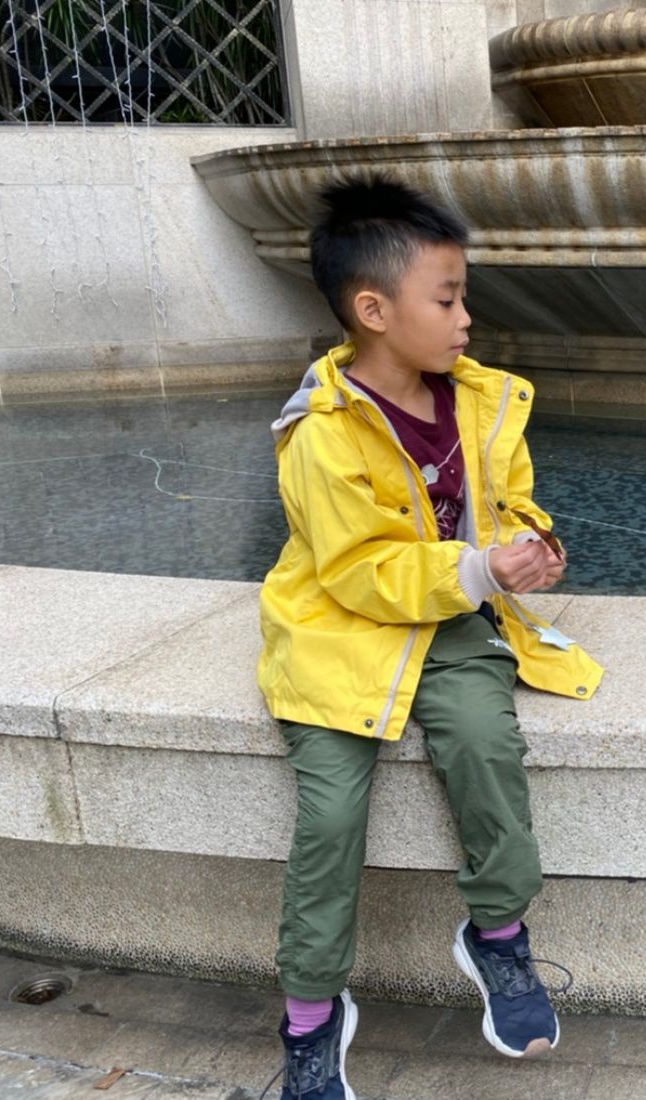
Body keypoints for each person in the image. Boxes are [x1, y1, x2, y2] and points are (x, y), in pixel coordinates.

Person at [256, 175, 601, 1099]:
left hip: (451, 624)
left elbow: (510, 499)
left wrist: (528, 547)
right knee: (331, 814)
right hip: (336, 632)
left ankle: (498, 937)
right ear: (374, 311)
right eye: (446, 300)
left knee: (487, 748)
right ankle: (310, 1016)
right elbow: (355, 570)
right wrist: (480, 569)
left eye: (462, 297)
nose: (466, 319)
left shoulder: (481, 399)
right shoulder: (322, 435)